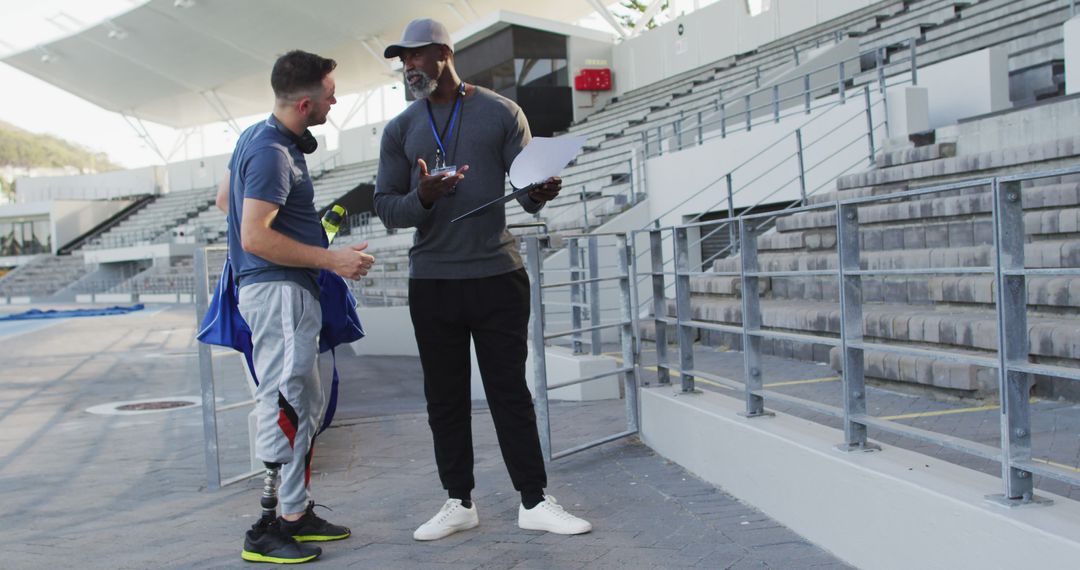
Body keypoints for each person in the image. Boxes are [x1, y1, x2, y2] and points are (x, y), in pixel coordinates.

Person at [374, 18, 592, 541]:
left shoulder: (500, 111)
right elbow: (387, 208)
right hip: (433, 281)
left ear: (444, 53)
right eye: (402, 59)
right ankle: (458, 501)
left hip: (497, 274)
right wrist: (423, 196)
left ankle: (534, 500)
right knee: (444, 399)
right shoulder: (400, 129)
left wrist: (541, 191)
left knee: (509, 393)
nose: (408, 66)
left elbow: (524, 191)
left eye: (417, 56)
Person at [221, 49, 374, 564]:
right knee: (283, 401)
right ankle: (264, 527)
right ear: (306, 102)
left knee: (302, 403)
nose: (337, 99)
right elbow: (254, 236)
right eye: (331, 92)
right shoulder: (272, 152)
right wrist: (330, 259)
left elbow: (227, 199)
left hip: (286, 289)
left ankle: (293, 512)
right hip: (279, 289)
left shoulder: (258, 138)